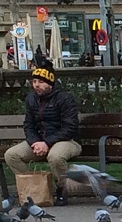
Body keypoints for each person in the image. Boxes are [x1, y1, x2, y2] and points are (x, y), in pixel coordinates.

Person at [5, 66, 79, 206]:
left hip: (65, 140)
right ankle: (35, 189)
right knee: (12, 155)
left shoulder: (65, 99)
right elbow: (28, 125)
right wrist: (35, 142)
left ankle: (61, 189)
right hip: (39, 141)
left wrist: (47, 143)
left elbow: (70, 128)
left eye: (41, 82)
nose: (36, 85)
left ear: (50, 82)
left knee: (55, 157)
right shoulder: (31, 99)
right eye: (34, 81)